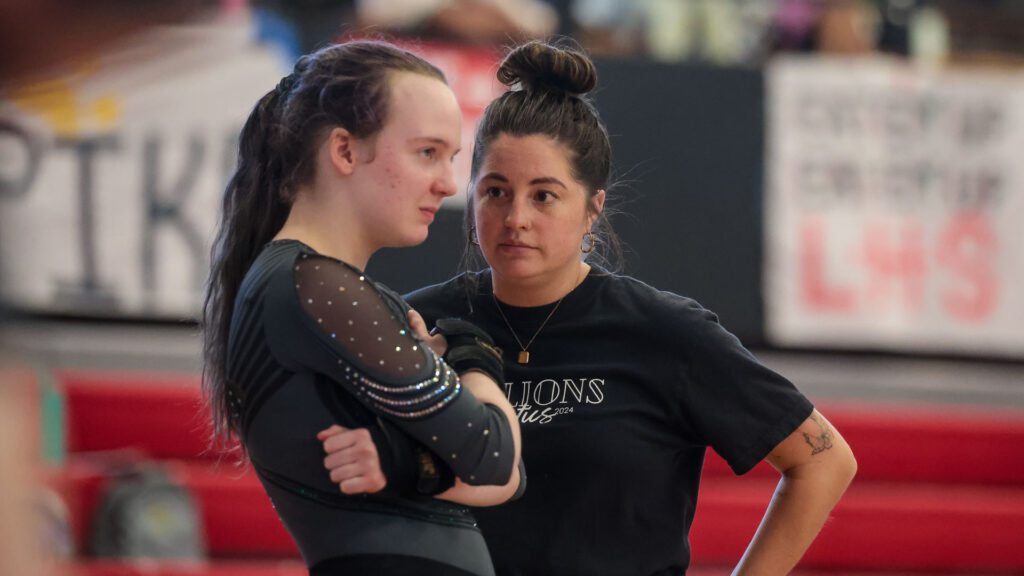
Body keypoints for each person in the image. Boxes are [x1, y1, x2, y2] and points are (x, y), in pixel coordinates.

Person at [322, 40, 857, 575]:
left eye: (544, 195)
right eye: (496, 192)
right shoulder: (419, 325)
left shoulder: (666, 333)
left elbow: (823, 460)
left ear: (592, 209)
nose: (516, 218)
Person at [201, 40, 524, 576]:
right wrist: (472, 353)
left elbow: (509, 477)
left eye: (452, 157)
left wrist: (405, 462)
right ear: (345, 151)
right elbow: (493, 453)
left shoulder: (316, 287)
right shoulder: (314, 286)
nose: (447, 184)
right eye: (427, 153)